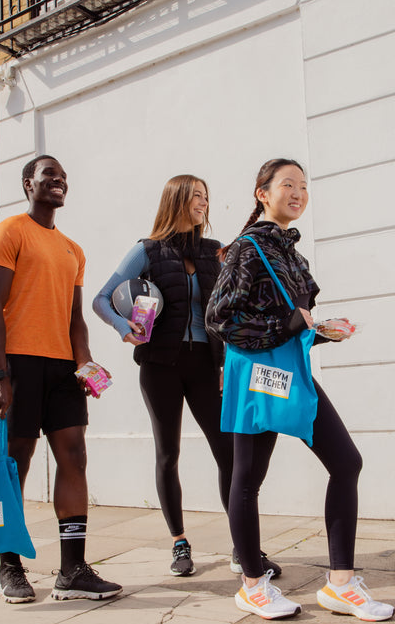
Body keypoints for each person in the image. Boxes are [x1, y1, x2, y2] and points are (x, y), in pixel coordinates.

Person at [206, 158, 395, 621]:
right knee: (247, 477)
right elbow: (219, 318)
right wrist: (285, 324)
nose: (298, 193)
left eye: (304, 187)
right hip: (257, 376)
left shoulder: (292, 252)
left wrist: (320, 329)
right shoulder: (247, 250)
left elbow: (298, 318)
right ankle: (252, 585)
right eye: (287, 184)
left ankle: (340, 584)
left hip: (290, 372)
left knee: (346, 462)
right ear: (262, 193)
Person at [93, 174, 280, 578]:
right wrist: (124, 329)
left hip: (206, 366)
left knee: (228, 453)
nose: (204, 203)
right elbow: (101, 298)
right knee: (168, 454)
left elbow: (231, 309)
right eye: (196, 196)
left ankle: (242, 546)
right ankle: (179, 542)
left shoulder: (215, 252)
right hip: (160, 365)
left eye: (206, 197)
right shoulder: (146, 250)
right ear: (177, 200)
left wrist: (228, 361)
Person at [0, 155, 122, 604]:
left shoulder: (73, 249)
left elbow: (75, 318)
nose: (59, 180)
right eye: (49, 175)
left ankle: (73, 569)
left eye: (63, 176)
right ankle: (9, 567)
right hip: (20, 365)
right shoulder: (9, 233)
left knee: (74, 456)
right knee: (16, 463)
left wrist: (85, 365)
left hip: (62, 368)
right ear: (29, 184)